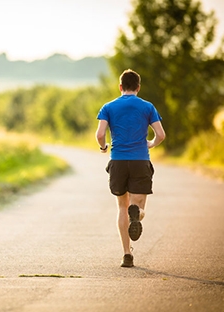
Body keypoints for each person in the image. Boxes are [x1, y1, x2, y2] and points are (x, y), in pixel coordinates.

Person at [95, 69, 166, 268]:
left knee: (121, 207)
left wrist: (103, 147)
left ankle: (127, 255)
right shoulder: (147, 106)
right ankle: (138, 214)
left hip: (118, 161)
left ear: (120, 87)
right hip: (140, 160)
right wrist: (151, 143)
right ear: (138, 87)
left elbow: (100, 134)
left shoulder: (108, 107)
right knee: (139, 207)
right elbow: (160, 135)